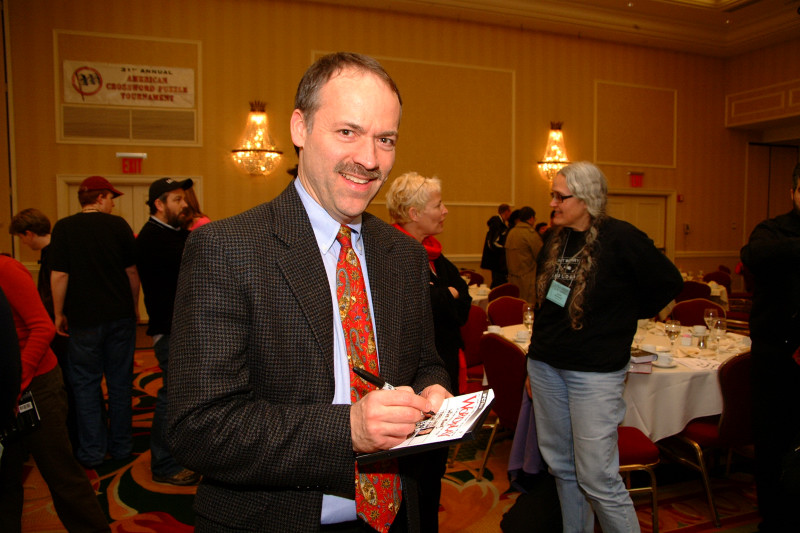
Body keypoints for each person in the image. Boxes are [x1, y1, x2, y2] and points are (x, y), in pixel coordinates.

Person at [167, 52, 451, 533]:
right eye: (348, 132)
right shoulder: (226, 249)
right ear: (300, 128)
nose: (369, 158)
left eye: (385, 139)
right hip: (275, 520)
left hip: (397, 516)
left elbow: (426, 360)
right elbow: (198, 427)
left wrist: (432, 390)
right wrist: (348, 432)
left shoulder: (402, 256)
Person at [527, 161, 682, 532]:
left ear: (587, 198)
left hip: (594, 373)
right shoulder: (555, 238)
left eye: (560, 196)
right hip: (547, 366)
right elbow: (545, 306)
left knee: (598, 477)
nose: (553, 203)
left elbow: (669, 283)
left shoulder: (622, 238)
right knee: (562, 468)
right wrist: (531, 363)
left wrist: (626, 313)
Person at [385, 171, 471, 531]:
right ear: (413, 212)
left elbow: (462, 305)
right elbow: (441, 304)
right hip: (414, 380)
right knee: (416, 478)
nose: (446, 211)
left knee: (434, 470)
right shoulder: (393, 254)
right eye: (438, 205)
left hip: (443, 372)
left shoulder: (435, 255)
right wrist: (446, 295)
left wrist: (449, 295)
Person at [0, 254, 110, 533]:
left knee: (61, 474)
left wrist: (16, 383)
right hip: (6, 389)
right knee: (5, 479)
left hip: (35, 385)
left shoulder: (5, 269)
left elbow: (42, 327)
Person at [49, 175, 140, 468]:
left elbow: (60, 275)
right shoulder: (117, 227)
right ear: (100, 197)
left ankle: (92, 451)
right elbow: (132, 273)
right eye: (111, 198)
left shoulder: (64, 228)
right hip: (119, 317)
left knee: (86, 385)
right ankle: (123, 447)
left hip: (84, 320)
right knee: (120, 383)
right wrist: (135, 307)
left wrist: (58, 313)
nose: (113, 203)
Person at [740, 162, 800, 532]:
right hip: (777, 357)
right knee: (774, 441)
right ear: (793, 191)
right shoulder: (771, 232)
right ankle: (774, 518)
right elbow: (753, 255)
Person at [135, 178, 201, 486]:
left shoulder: (173, 234)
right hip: (170, 332)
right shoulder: (152, 239)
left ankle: (183, 454)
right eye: (176, 199)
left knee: (185, 396)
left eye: (183, 198)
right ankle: (163, 464)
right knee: (171, 397)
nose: (184, 204)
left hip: (183, 330)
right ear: (159, 205)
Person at [9, 208, 77, 450]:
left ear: (28, 233)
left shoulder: (52, 254)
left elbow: (49, 299)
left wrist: (57, 316)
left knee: (70, 382)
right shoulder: (60, 246)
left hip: (57, 327)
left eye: (21, 237)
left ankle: (72, 434)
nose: (23, 243)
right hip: (60, 324)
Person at [505, 206, 542, 306]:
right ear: (531, 218)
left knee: (515, 307)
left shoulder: (511, 232)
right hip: (528, 278)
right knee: (528, 308)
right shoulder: (530, 234)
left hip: (512, 278)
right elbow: (540, 256)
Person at [480, 203, 511, 287]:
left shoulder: (497, 223)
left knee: (497, 282)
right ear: (506, 212)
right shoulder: (497, 224)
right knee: (498, 283)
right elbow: (494, 242)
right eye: (510, 212)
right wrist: (505, 249)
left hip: (496, 260)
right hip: (497, 261)